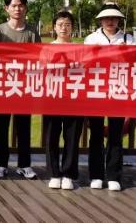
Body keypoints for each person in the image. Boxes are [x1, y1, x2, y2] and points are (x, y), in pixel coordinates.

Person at [84, 2, 135, 191]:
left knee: (115, 134)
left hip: (119, 89)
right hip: (97, 89)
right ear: (101, 20)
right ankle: (96, 175)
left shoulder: (128, 38)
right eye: (106, 18)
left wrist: (126, 52)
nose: (110, 21)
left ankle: (114, 175)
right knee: (96, 134)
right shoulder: (91, 38)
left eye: (113, 18)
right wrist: (95, 52)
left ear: (119, 20)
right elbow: (84, 61)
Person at [0, 0, 39, 180]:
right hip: (3, 86)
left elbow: (37, 59)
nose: (17, 9)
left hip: (24, 87)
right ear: (6, 8)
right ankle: (0, 165)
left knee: (24, 127)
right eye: (14, 6)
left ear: (26, 8)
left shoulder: (32, 32)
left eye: (21, 5)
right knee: (1, 127)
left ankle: (24, 165)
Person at [43, 11, 82, 190]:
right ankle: (54, 173)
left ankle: (68, 174)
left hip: (73, 96)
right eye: (60, 25)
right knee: (51, 136)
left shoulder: (80, 49)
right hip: (52, 95)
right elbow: (41, 70)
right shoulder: (47, 48)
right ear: (54, 27)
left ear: (72, 27)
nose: (63, 28)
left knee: (72, 136)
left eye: (67, 25)